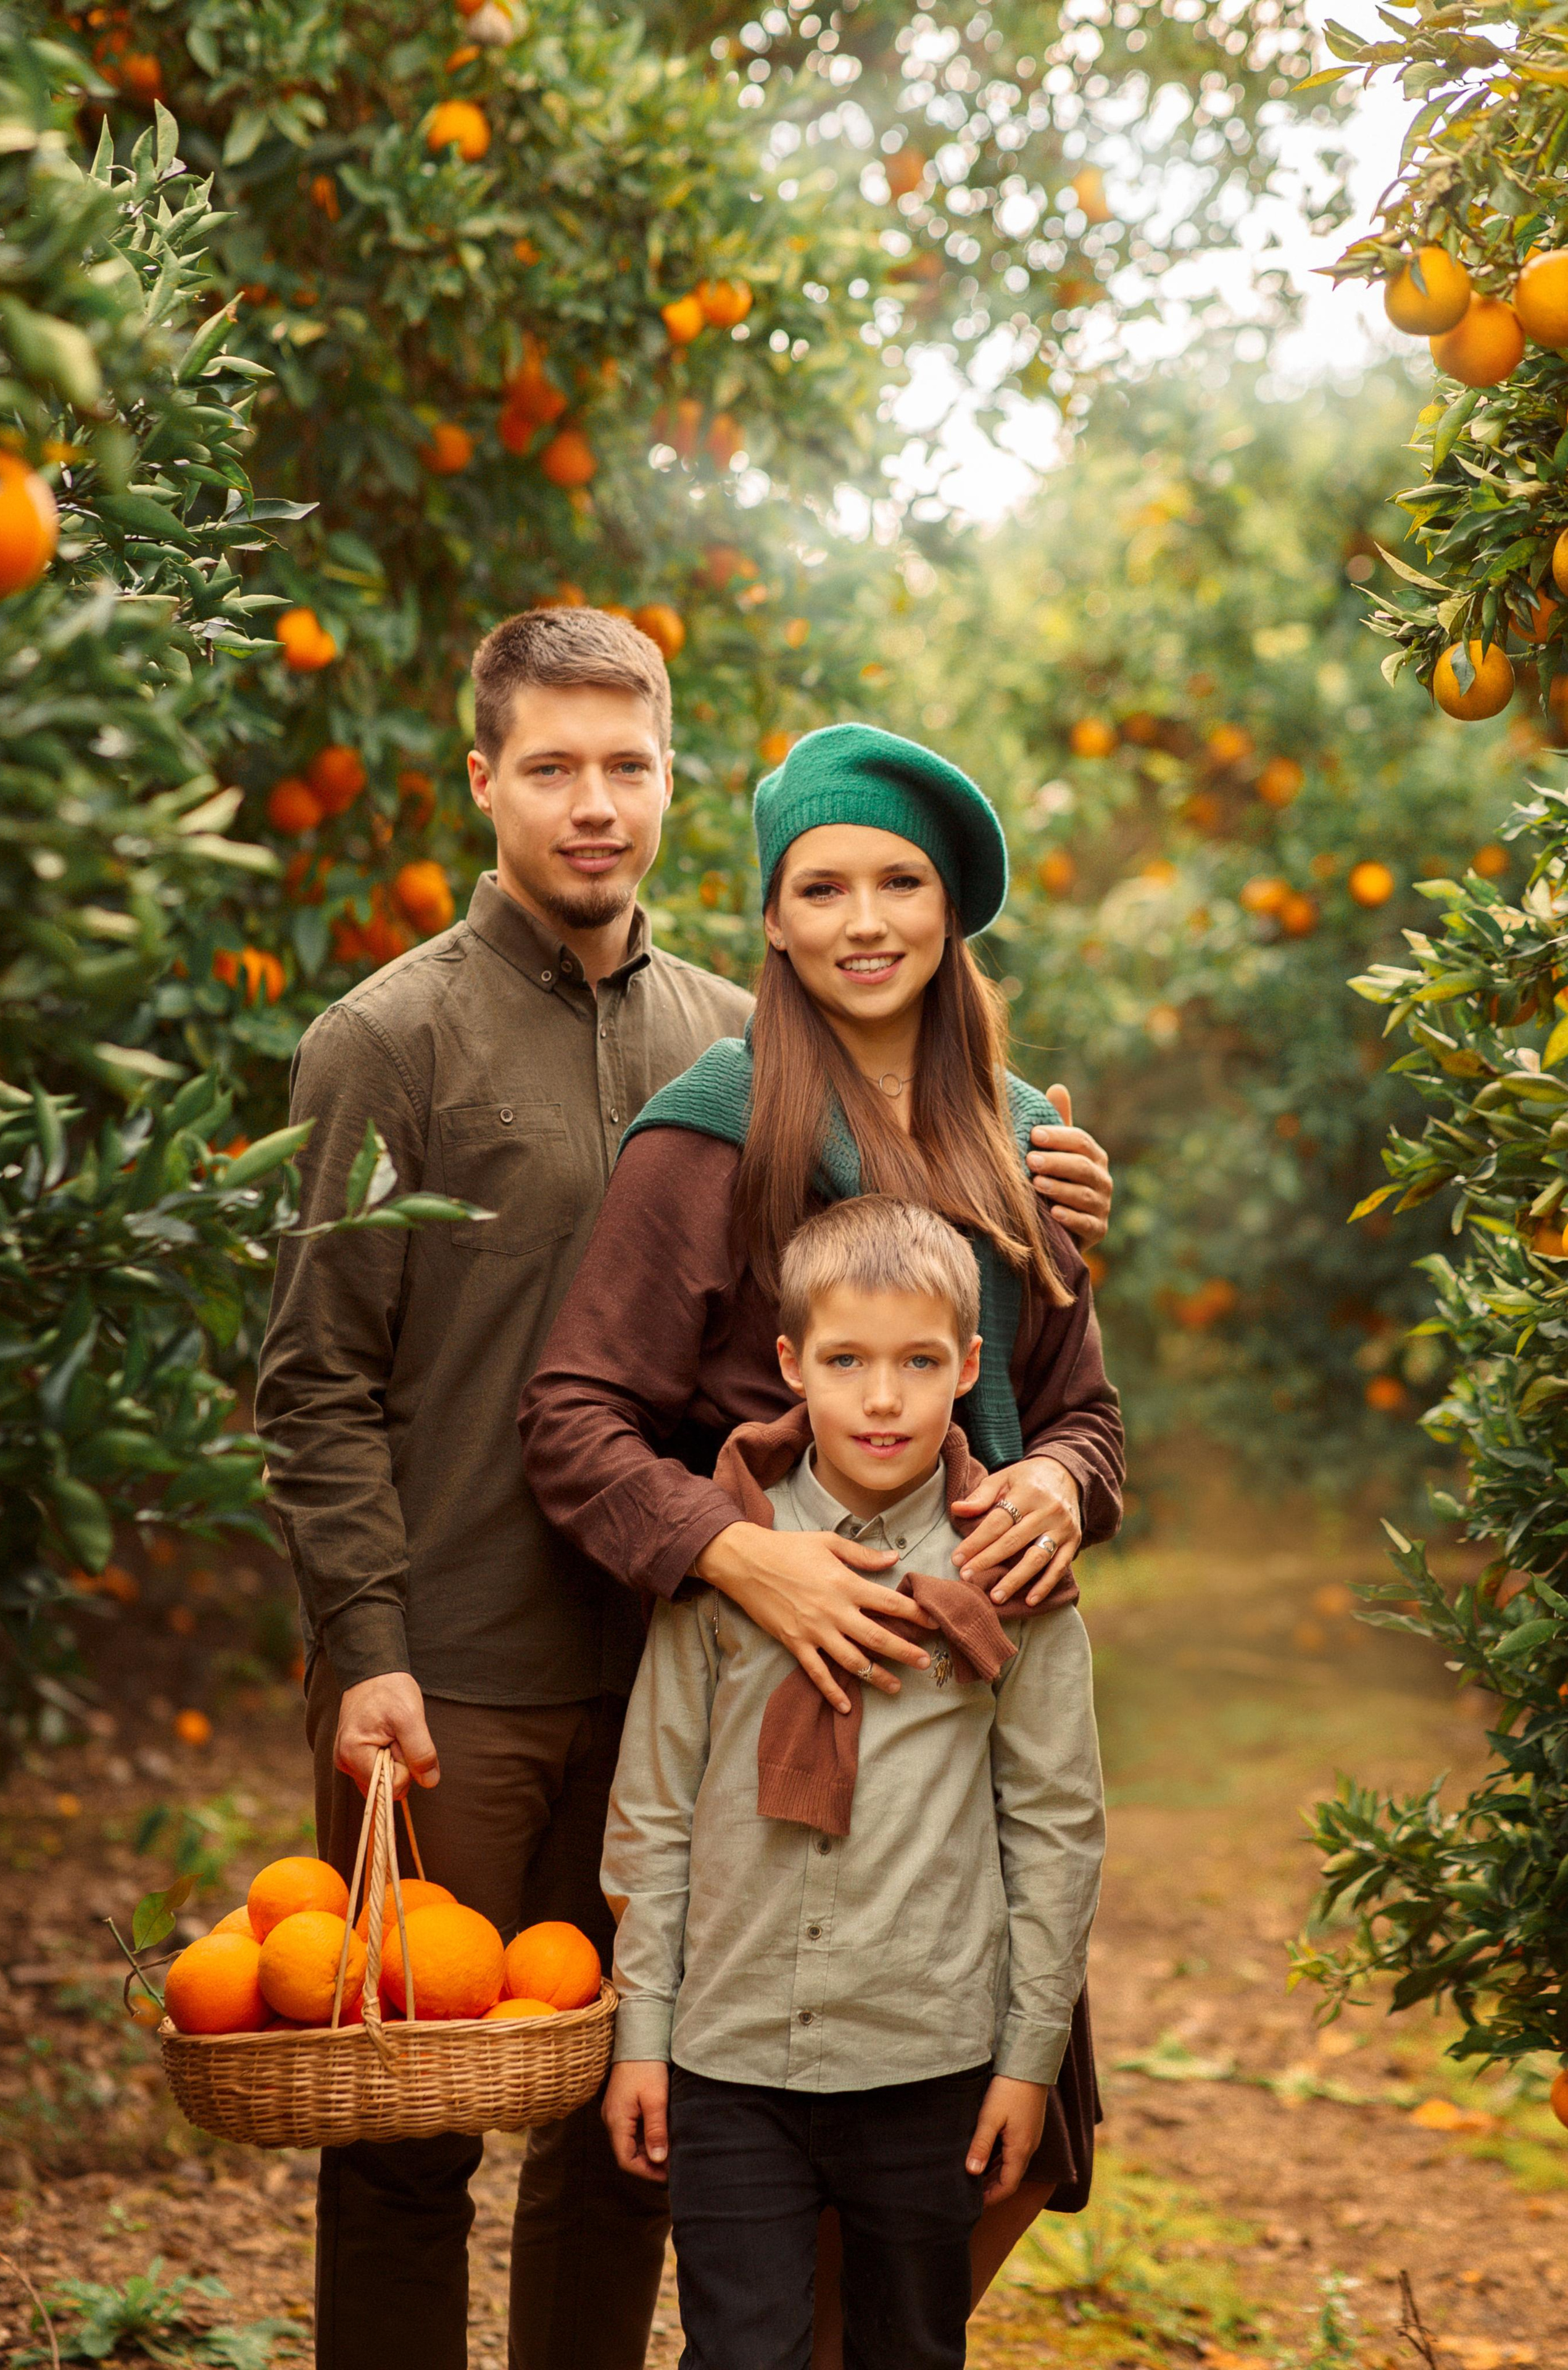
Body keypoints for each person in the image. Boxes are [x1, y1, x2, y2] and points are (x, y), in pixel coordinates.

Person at [256, 614, 1114, 2370]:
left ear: (671, 786)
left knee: (636, 2131)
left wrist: (1061, 1408)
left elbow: (971, 1340)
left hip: (693, 1665)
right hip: (472, 1659)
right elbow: (319, 1379)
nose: (593, 804)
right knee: (410, 2124)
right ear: (484, 780)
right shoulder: (390, 1037)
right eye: (553, 768)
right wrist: (364, 1645)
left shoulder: (756, 1040)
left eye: (626, 768)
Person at [520, 721, 1125, 2348]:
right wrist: (739, 1554)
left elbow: (1082, 1411)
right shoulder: (709, 1132)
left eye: (901, 882)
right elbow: (570, 1421)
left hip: (970, 1686)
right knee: (768, 2164)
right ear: (773, 921)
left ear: (954, 910)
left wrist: (1061, 1484)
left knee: (977, 2151)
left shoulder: (1018, 1132)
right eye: (823, 886)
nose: (866, 920)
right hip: (767, 1675)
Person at [598, 1193, 1106, 2370]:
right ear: (792, 1365)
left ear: (968, 1368)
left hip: (930, 2056)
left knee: (912, 2348)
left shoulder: (1010, 1572)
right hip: (729, 2061)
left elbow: (1056, 1828)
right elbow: (655, 1815)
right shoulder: (730, 1562)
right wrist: (644, 2035)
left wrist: (1028, 2060)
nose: (884, 1399)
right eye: (847, 1361)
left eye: (920, 1363)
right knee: (741, 2351)